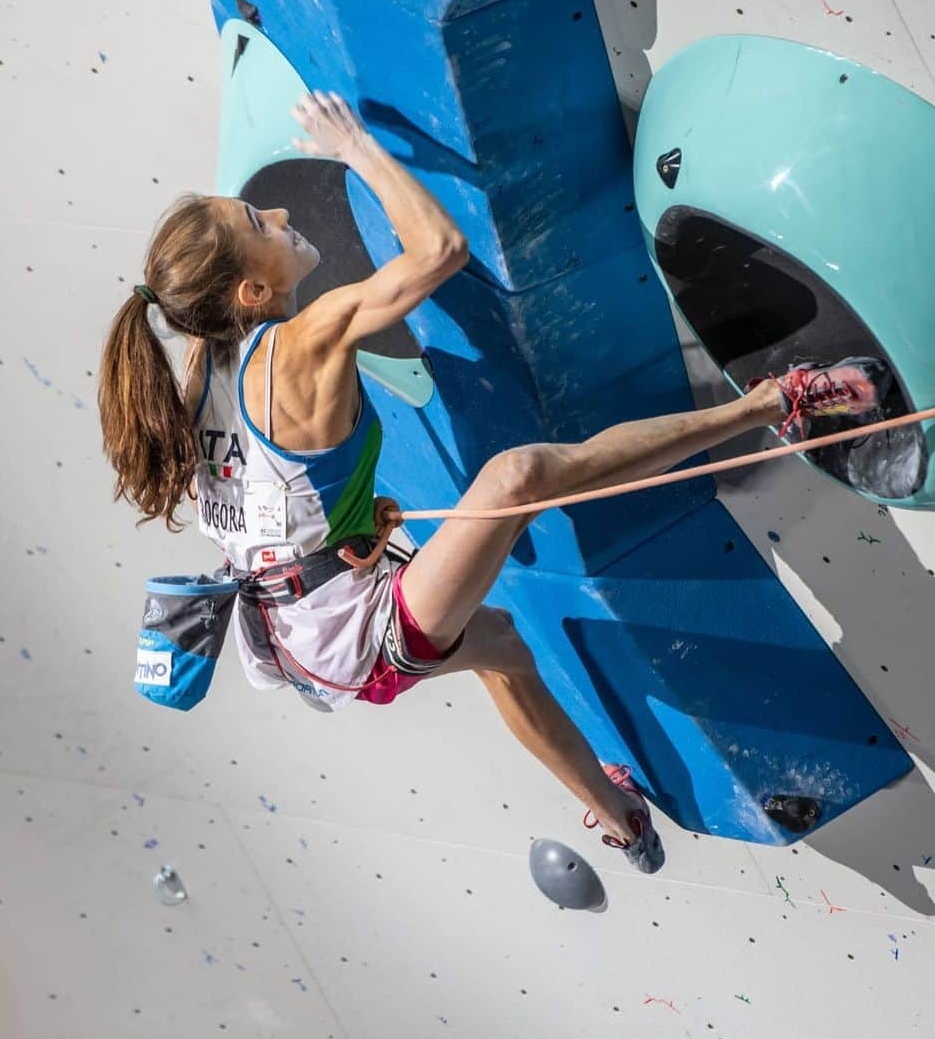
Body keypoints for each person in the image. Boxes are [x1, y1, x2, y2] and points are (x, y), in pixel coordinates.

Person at [98, 90, 888, 874]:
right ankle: (774, 402)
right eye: (254, 224)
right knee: (517, 478)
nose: (273, 212)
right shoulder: (299, 343)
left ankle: (624, 826)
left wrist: (337, 530)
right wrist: (356, 148)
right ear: (251, 294)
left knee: (502, 646)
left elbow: (263, 500)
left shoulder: (203, 361)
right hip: (344, 633)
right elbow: (439, 252)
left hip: (304, 624)